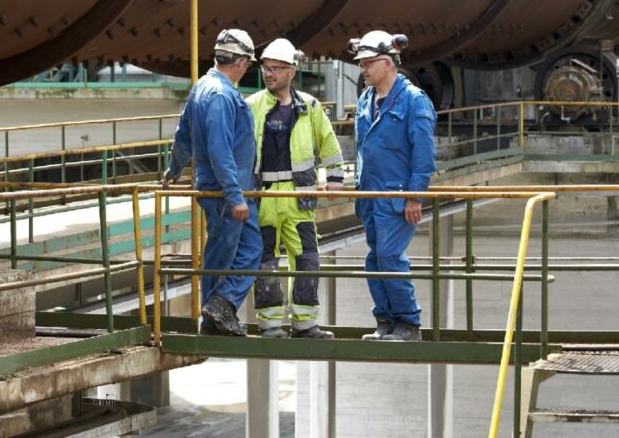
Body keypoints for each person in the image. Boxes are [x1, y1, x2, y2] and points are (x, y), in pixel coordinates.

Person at [164, 28, 261, 336]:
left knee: (241, 249)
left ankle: (217, 310)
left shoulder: (202, 88)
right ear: (243, 62)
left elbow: (183, 134)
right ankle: (215, 311)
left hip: (222, 188)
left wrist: (173, 168)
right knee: (226, 253)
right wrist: (234, 197)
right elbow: (221, 151)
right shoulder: (221, 95)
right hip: (225, 191)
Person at [246, 38, 344, 340]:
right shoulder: (251, 106)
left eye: (275, 68)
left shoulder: (310, 107)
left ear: (292, 71)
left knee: (307, 258)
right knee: (266, 261)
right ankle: (270, 325)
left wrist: (336, 179)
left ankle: (305, 323)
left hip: (299, 197)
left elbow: (328, 143)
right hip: (264, 196)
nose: (269, 73)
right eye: (265, 68)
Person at [348, 30, 436, 342]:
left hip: (396, 195)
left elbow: (424, 154)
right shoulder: (365, 99)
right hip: (371, 195)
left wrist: (414, 197)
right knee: (374, 259)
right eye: (361, 64)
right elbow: (363, 149)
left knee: (389, 256)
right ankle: (385, 321)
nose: (363, 69)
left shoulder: (413, 101)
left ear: (387, 63)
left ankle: (408, 323)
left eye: (368, 63)